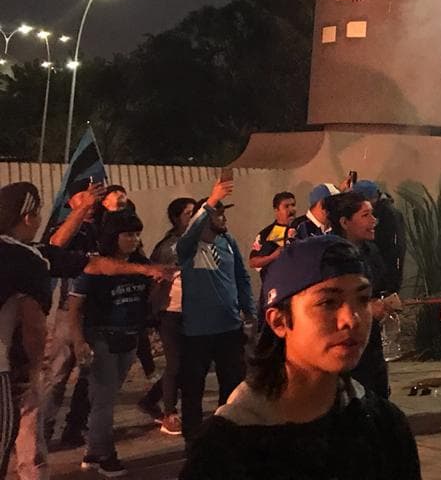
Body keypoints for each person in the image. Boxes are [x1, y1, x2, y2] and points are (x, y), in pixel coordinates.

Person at [180, 236, 420, 480]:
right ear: (279, 320)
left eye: (362, 299)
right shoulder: (226, 448)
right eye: (328, 302)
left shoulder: (384, 426)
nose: (352, 318)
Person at [2, 182, 170, 480]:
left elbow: (91, 263)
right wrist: (32, 368)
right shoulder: (25, 258)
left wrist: (145, 270)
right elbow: (34, 321)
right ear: (29, 217)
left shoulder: (31, 252)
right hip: (12, 367)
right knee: (23, 427)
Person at [41, 180, 133, 451]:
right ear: (72, 201)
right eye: (85, 196)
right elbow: (56, 244)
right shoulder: (71, 227)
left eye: (96, 196)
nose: (92, 201)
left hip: (101, 313)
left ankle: (76, 427)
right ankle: (41, 435)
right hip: (70, 312)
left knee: (92, 378)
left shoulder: (102, 227)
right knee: (57, 375)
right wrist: (83, 210)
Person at [68, 210, 155, 476]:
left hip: (128, 337)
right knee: (104, 398)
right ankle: (106, 455)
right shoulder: (96, 266)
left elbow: (150, 304)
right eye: (128, 234)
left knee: (104, 398)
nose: (134, 239)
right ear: (113, 237)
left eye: (137, 234)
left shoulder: (142, 265)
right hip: (101, 335)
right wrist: (78, 340)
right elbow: (74, 307)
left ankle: (94, 451)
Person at [176, 178, 255, 444]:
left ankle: (227, 435)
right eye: (218, 213)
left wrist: (249, 311)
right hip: (197, 331)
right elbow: (190, 232)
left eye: (223, 212)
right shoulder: (188, 247)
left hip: (229, 328)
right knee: (192, 389)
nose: (223, 217)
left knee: (233, 386)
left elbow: (242, 278)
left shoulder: (228, 242)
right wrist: (209, 202)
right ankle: (193, 440)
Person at [323, 191, 401, 399]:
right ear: (345, 222)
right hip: (344, 345)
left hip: (371, 343)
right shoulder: (330, 256)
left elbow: (378, 285)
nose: (374, 221)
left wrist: (385, 301)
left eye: (372, 215)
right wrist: (367, 308)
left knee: (379, 396)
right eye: (365, 215)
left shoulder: (370, 250)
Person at [138, 197, 197, 435]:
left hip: (193, 310)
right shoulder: (170, 246)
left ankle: (150, 399)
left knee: (186, 363)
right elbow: (156, 276)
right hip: (170, 310)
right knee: (175, 363)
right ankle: (170, 414)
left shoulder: (201, 241)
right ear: (176, 218)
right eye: (188, 213)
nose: (193, 218)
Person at [248, 192, 295, 272]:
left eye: (293, 205)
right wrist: (272, 257)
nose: (291, 210)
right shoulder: (269, 233)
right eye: (286, 206)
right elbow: (253, 262)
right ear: (276, 211)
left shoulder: (301, 226)